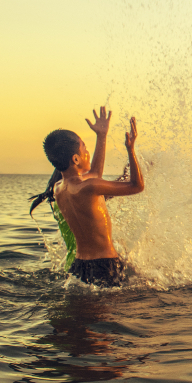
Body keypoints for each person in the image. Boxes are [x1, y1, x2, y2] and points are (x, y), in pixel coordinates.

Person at [41, 106, 144, 287]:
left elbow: (95, 173)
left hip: (79, 266)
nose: (88, 153)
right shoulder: (88, 187)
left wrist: (102, 136)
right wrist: (131, 149)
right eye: (85, 149)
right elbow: (137, 186)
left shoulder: (59, 189)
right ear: (75, 159)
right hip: (104, 264)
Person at [29, 165, 131, 272]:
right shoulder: (75, 197)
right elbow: (105, 192)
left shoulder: (59, 199)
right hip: (91, 262)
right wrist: (125, 177)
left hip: (74, 263)